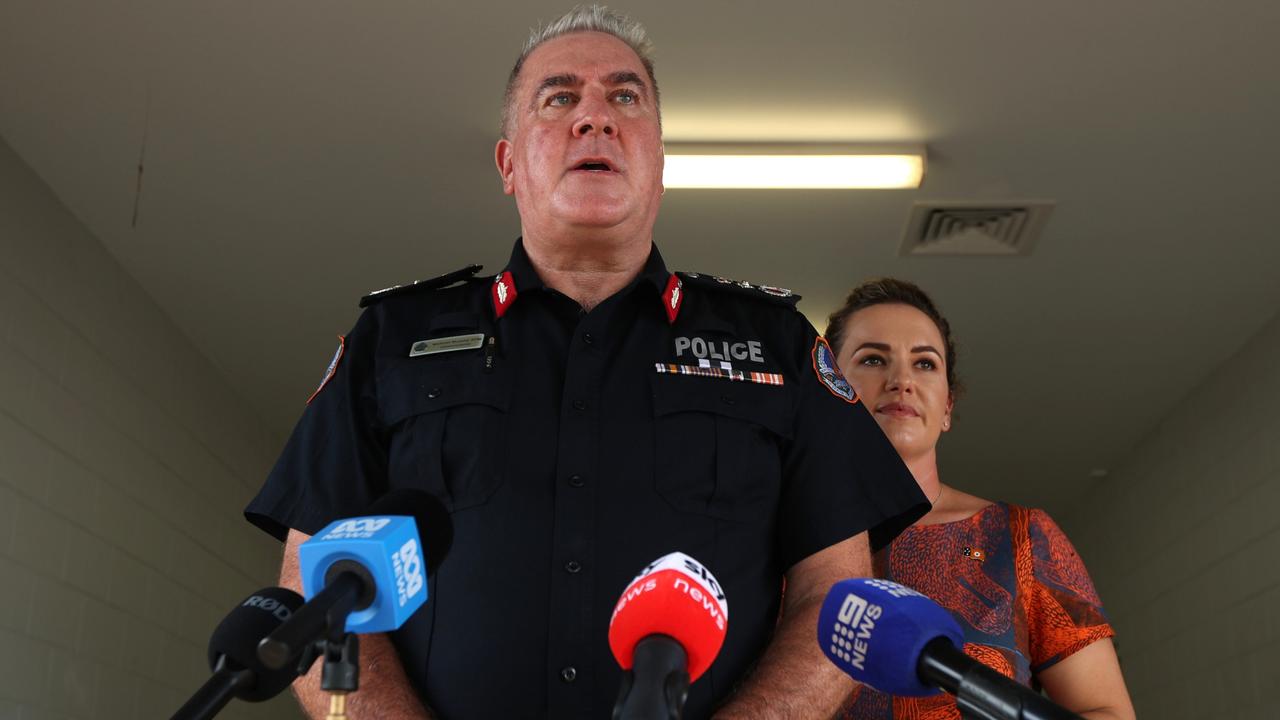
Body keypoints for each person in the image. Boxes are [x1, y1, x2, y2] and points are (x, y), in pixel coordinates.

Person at [244, 7, 928, 719]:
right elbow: (310, 581)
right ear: (509, 164)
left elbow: (839, 593)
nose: (594, 119)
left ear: (660, 164)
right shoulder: (393, 338)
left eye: (625, 97)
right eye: (560, 97)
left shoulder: (776, 345)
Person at [824, 278, 1136, 720]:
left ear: (948, 407)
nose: (901, 381)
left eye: (925, 364)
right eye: (873, 359)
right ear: (829, 389)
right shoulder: (773, 541)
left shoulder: (1020, 536)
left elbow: (1105, 710)